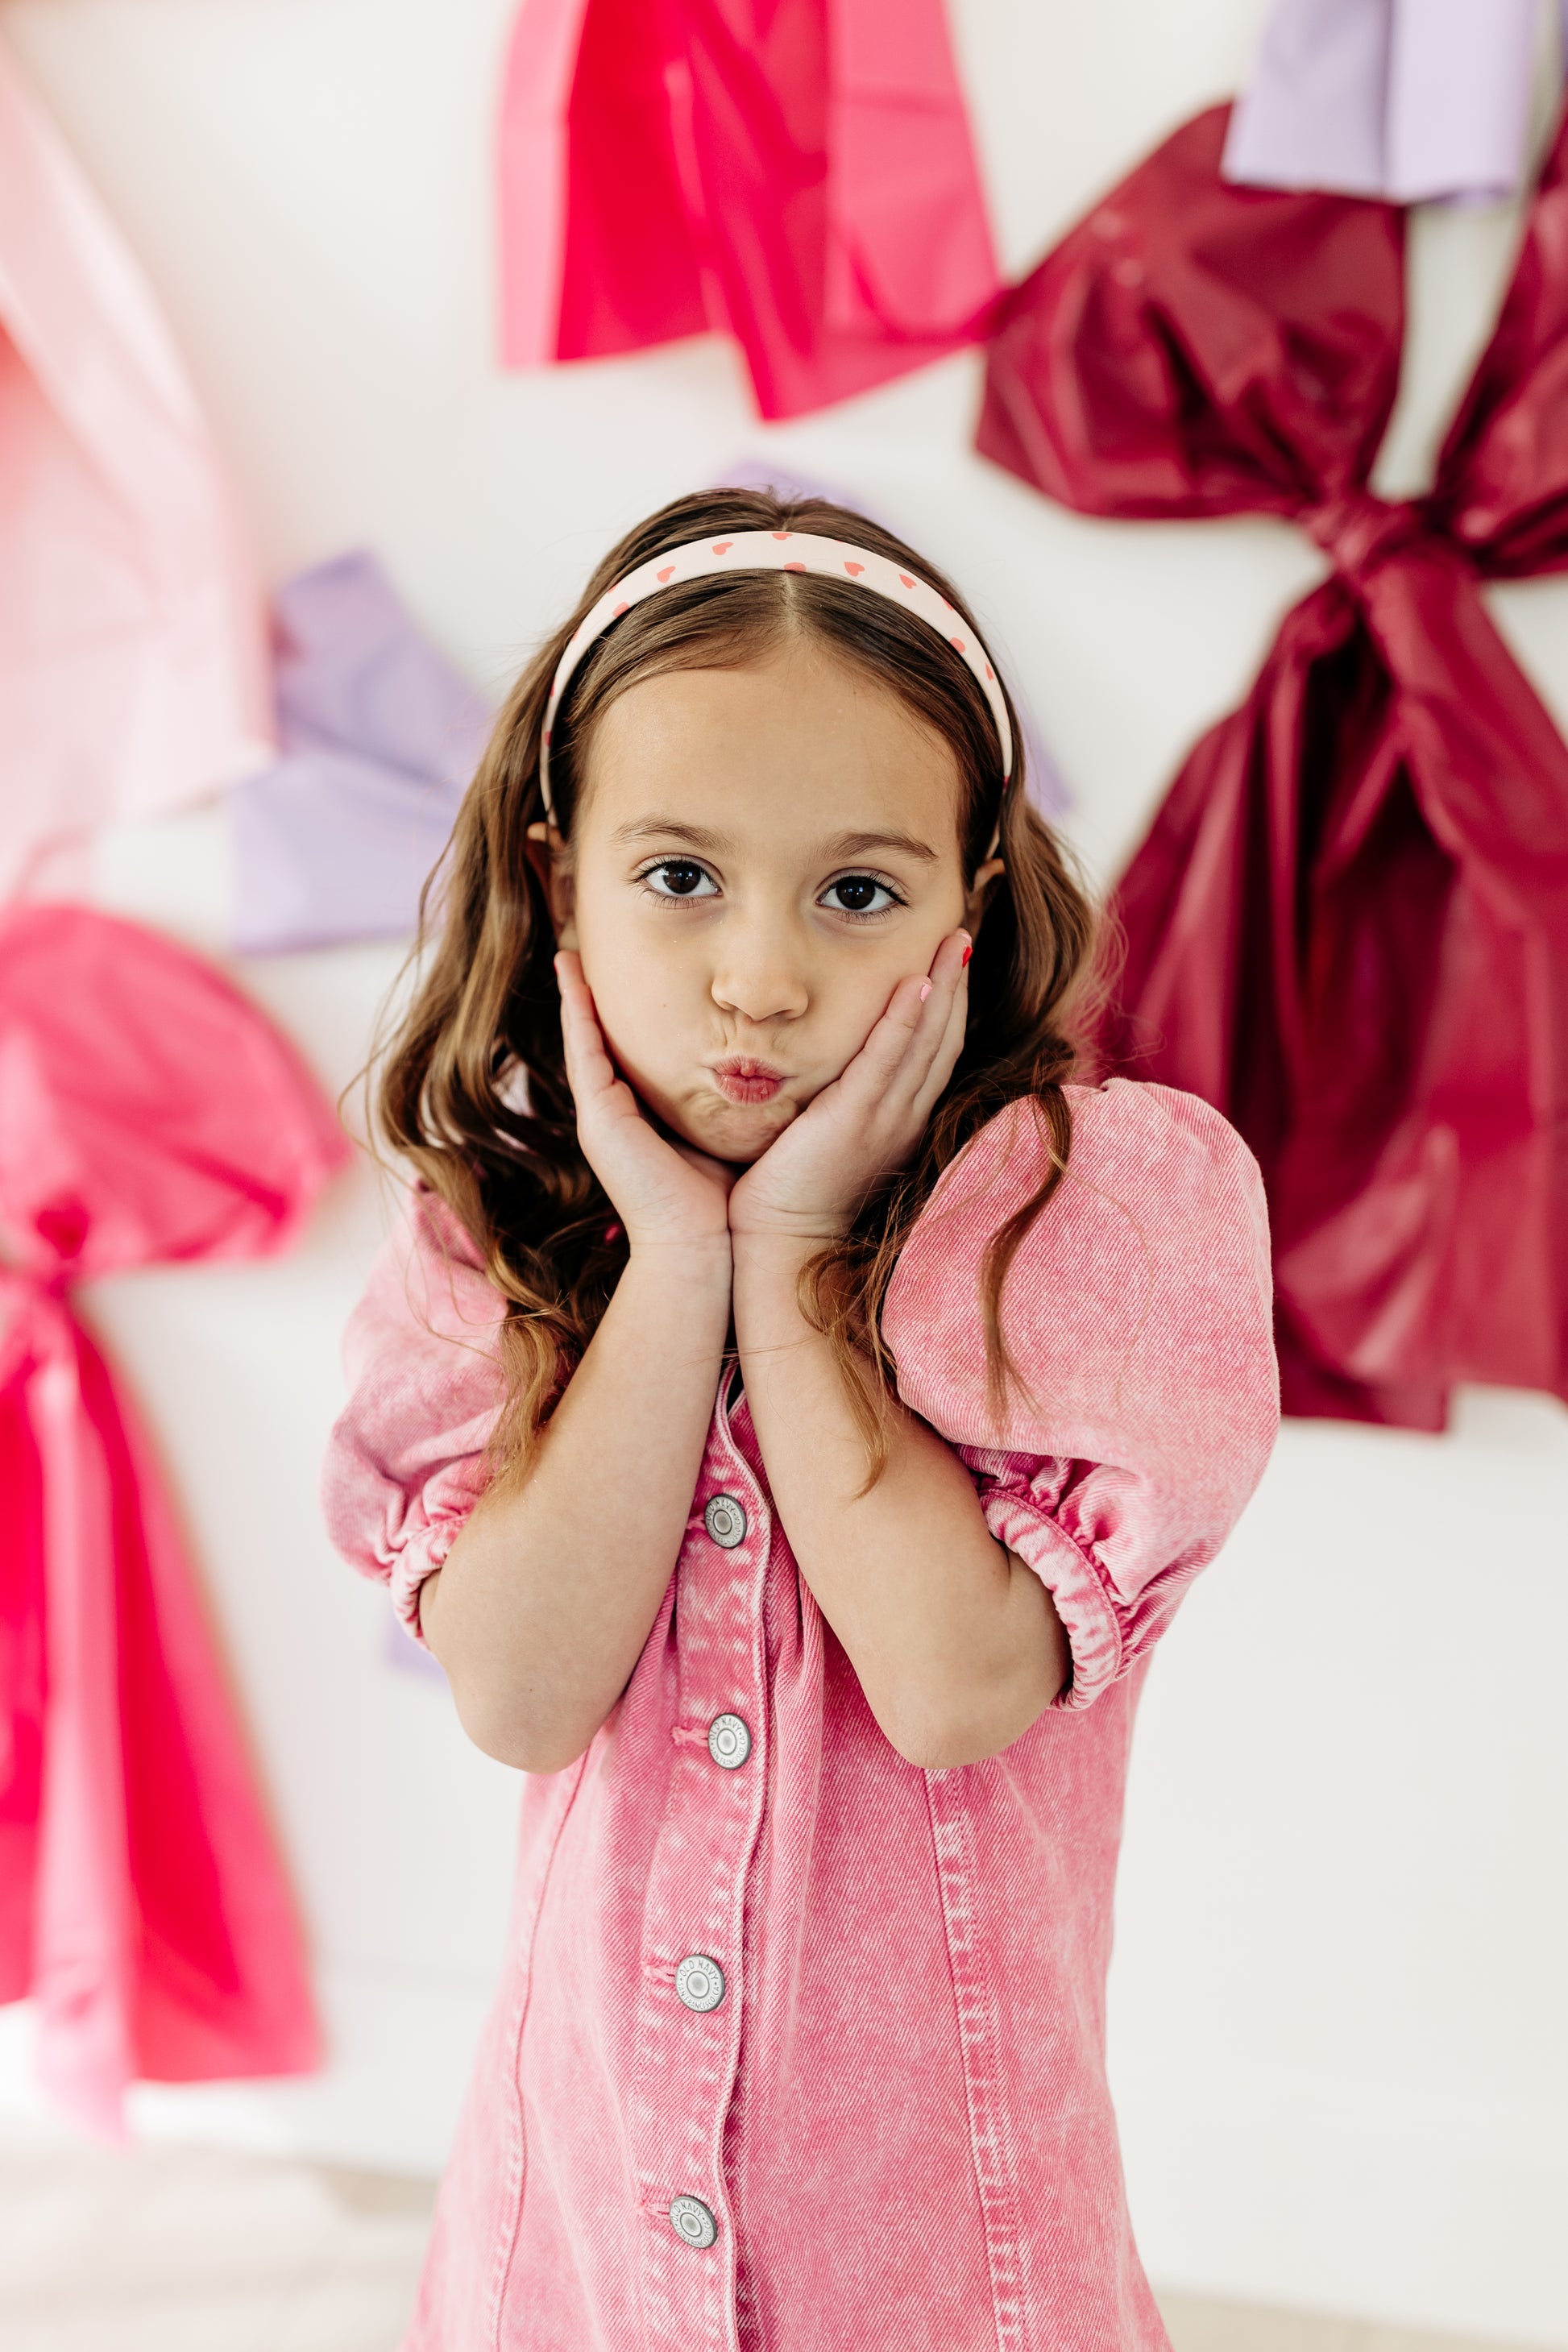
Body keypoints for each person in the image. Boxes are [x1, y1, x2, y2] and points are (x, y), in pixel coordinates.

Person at [324, 489, 1280, 2351]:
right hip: (577, 2240)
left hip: (942, 2275)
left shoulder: (1081, 1221)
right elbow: (521, 1695)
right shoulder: (500, 1232)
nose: (760, 980)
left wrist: (796, 1253)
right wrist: (675, 1269)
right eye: (679, 877)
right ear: (561, 875)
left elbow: (952, 1687)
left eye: (856, 891)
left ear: (967, 903)